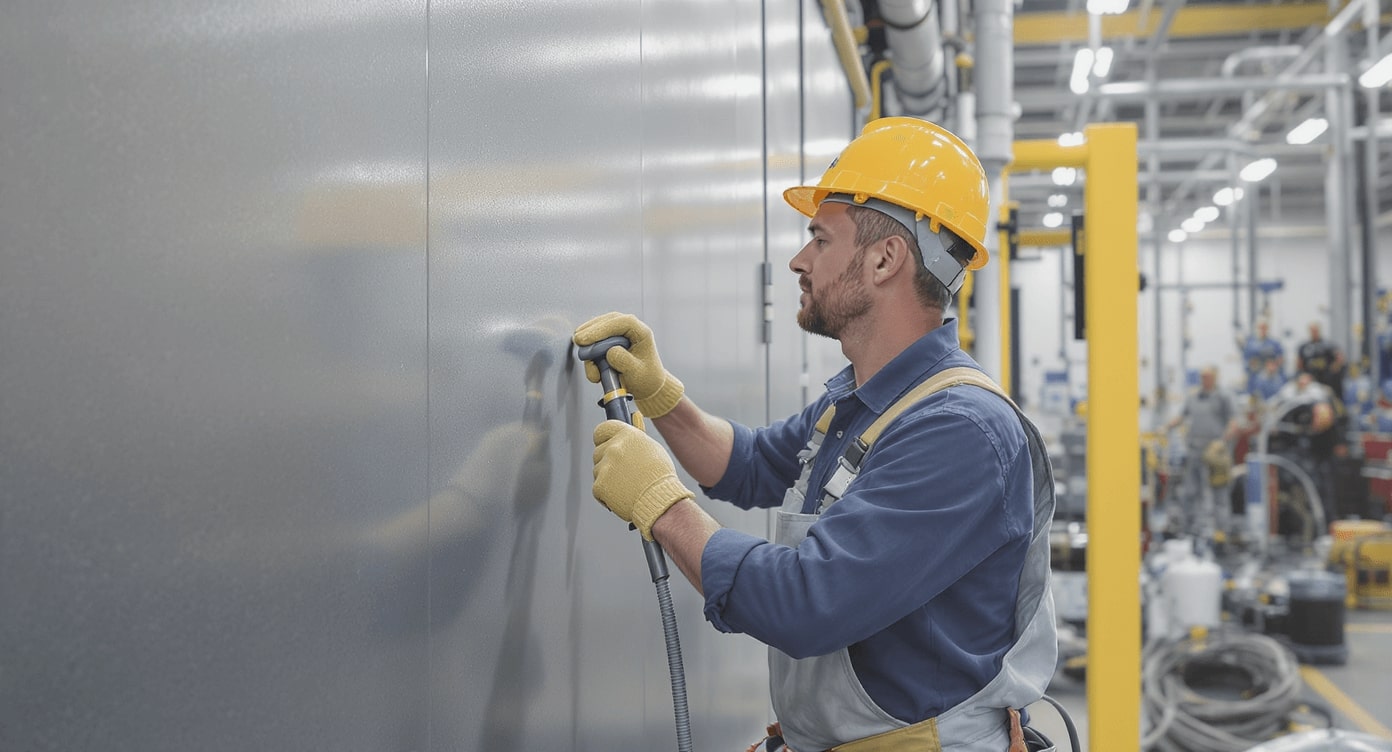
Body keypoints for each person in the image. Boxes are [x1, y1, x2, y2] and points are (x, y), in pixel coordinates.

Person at [574, 118, 1057, 752]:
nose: (800, 261)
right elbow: (748, 464)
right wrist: (663, 397)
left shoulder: (959, 432)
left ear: (885, 260)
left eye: (820, 240)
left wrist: (661, 505)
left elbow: (806, 602)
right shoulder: (865, 400)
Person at [1164, 365, 1240, 544]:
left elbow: (1234, 421)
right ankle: (1190, 529)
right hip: (1194, 450)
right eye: (1202, 376)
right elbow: (1182, 417)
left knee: (1219, 493)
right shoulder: (1193, 397)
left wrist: (1223, 441)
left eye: (1207, 376)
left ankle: (1221, 531)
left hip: (1215, 453)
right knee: (1191, 491)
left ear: (1214, 377)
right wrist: (1165, 428)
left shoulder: (1224, 397)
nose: (1204, 379)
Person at [1296, 321, 1346, 402]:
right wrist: (1302, 376)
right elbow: (1299, 364)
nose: (1314, 333)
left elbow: (1340, 358)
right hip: (1310, 383)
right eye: (1312, 331)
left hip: (1327, 382)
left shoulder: (1329, 345)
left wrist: (1332, 371)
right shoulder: (1304, 347)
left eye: (1315, 330)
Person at [1239, 318, 1284, 395]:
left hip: (1272, 376)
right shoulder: (1250, 344)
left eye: (1264, 327)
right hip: (1254, 375)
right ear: (1257, 328)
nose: (1262, 330)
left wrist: (1273, 366)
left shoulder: (1274, 344)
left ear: (1268, 329)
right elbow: (1246, 360)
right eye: (1260, 327)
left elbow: (1281, 359)